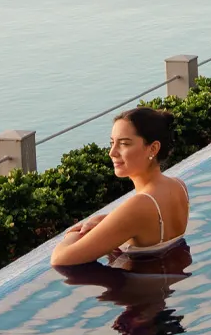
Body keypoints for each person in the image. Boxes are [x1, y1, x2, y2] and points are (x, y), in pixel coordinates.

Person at [52, 107, 191, 271]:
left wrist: (72, 235)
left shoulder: (141, 204)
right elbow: (143, 226)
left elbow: (60, 259)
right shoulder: (178, 186)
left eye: (124, 144)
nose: (112, 152)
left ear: (153, 148)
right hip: (162, 287)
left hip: (137, 293)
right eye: (112, 143)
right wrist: (106, 220)